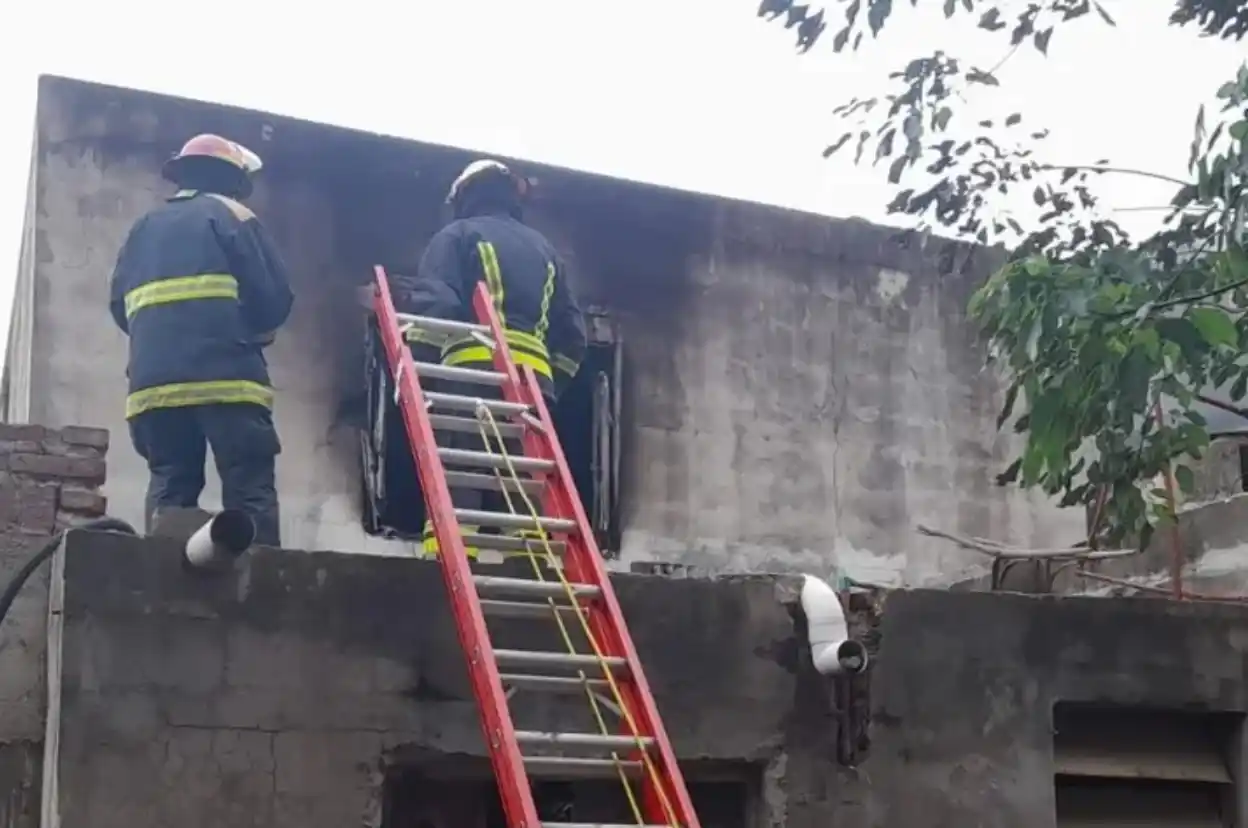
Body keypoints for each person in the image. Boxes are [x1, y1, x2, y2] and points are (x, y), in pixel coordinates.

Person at [392, 159, 588, 557]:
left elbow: (437, 306)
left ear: (463, 196)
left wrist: (419, 369)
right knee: (526, 489)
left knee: (462, 479)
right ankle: (530, 568)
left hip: (471, 372)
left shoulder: (457, 235)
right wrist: (551, 383)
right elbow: (573, 337)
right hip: (533, 386)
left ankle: (451, 566)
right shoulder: (546, 250)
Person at [109, 133, 294, 547]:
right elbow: (274, 298)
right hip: (228, 378)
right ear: (233, 179)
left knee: (170, 488)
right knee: (249, 486)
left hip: (152, 388)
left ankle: (163, 586)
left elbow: (119, 306)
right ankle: (260, 589)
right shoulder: (233, 216)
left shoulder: (143, 227)